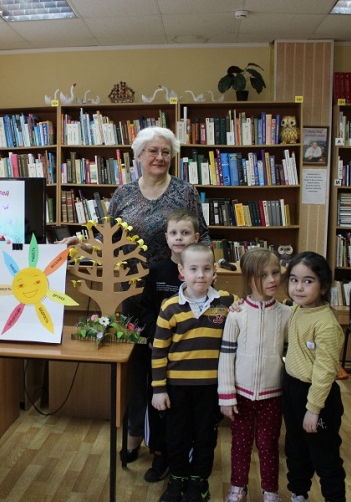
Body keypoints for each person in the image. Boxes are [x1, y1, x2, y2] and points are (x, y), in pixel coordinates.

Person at [59, 126, 210, 465]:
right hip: (133, 293)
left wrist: (202, 277)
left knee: (172, 369)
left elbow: (203, 236)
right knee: (139, 367)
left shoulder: (185, 192)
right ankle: (133, 435)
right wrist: (79, 241)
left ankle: (168, 446)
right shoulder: (124, 193)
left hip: (176, 290)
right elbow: (109, 235)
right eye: (153, 151)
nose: (160, 157)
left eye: (166, 152)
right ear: (139, 155)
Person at [151, 243, 237, 502]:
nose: (200, 275)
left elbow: (249, 309)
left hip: (210, 388)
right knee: (176, 436)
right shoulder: (169, 307)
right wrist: (158, 389)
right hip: (177, 387)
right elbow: (158, 351)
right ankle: (177, 479)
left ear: (214, 271)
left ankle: (198, 482)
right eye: (193, 269)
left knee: (205, 437)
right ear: (181, 271)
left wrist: (242, 308)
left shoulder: (226, 302)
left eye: (206, 269)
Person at [132, 208, 200, 482]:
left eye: (185, 233)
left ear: (196, 237)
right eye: (174, 233)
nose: (179, 238)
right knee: (159, 404)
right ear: (166, 238)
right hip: (160, 354)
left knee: (186, 408)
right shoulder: (157, 270)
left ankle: (183, 458)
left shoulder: (201, 270)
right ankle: (159, 454)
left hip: (189, 356)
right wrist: (154, 336)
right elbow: (146, 308)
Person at [218, 248, 292, 502]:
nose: (272, 279)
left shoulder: (287, 314)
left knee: (269, 445)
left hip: (273, 395)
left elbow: (289, 354)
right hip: (241, 395)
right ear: (249, 278)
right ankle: (237, 487)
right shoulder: (236, 314)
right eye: (263, 275)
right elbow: (226, 356)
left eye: (275, 272)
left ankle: (270, 490)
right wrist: (226, 396)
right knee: (240, 444)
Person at [283, 251, 346, 502]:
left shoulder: (326, 323)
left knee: (324, 455)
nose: (299, 287)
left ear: (324, 286)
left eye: (308, 281)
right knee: (295, 449)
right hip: (292, 389)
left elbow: (325, 370)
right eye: (294, 280)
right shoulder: (297, 308)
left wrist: (313, 408)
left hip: (317, 396)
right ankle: (298, 493)